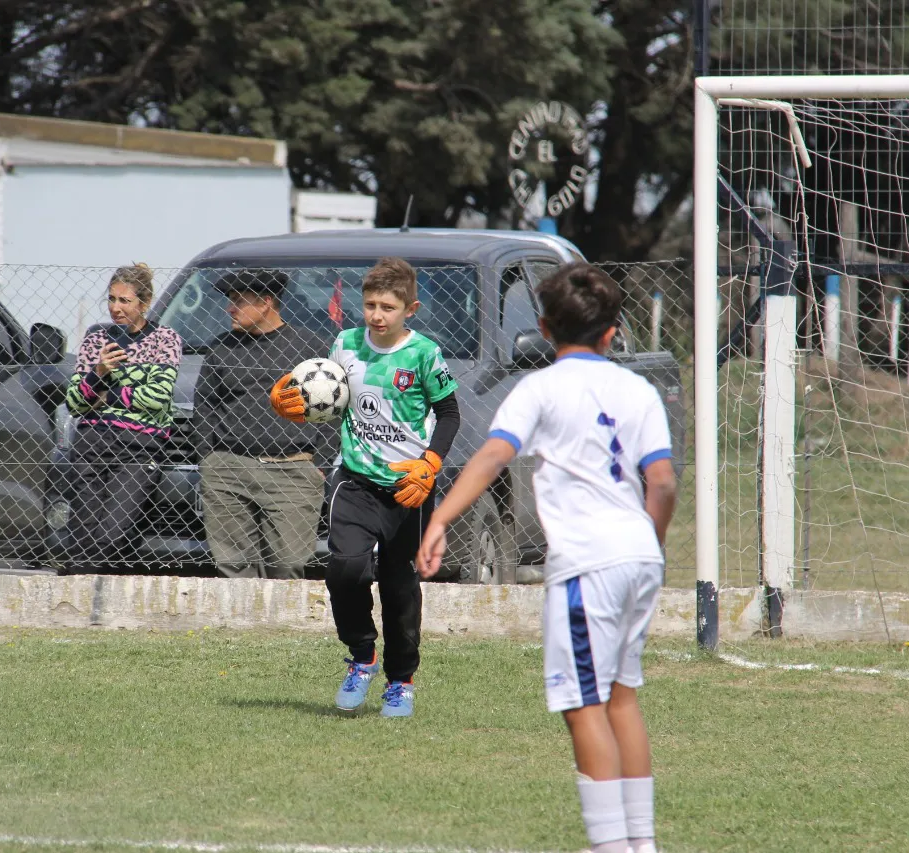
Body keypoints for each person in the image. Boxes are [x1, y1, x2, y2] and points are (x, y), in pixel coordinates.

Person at [416, 263, 677, 853]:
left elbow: (489, 458)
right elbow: (661, 483)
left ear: (541, 327)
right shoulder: (638, 390)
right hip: (638, 554)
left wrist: (439, 518)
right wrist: (649, 546)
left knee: (582, 704)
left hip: (587, 562)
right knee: (621, 696)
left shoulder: (538, 388)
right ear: (614, 334)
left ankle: (612, 847)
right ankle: (642, 841)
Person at [272, 257, 460, 718]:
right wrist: (296, 404)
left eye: (388, 307)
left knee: (399, 590)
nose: (377, 315)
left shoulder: (424, 354)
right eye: (370, 305)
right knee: (345, 570)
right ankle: (361, 657)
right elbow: (330, 397)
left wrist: (430, 464)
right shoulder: (346, 343)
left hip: (408, 489)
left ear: (410, 309)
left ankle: (401, 681)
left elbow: (451, 415)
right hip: (354, 481)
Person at [193, 269, 336, 579]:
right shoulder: (220, 349)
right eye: (229, 301)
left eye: (237, 301)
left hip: (293, 470)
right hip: (229, 469)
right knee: (234, 567)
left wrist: (319, 462)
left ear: (266, 303)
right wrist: (209, 457)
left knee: (287, 565)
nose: (229, 309)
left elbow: (335, 410)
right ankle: (239, 626)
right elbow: (204, 406)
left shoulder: (310, 349)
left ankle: (283, 626)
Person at [61, 263, 183, 573]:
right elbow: (75, 402)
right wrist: (100, 372)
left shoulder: (164, 340)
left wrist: (106, 396)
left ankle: (89, 584)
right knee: (82, 533)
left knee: (113, 533)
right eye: (112, 299)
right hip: (91, 442)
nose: (116, 308)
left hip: (138, 446)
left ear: (145, 303)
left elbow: (157, 399)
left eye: (124, 301)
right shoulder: (95, 338)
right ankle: (81, 592)